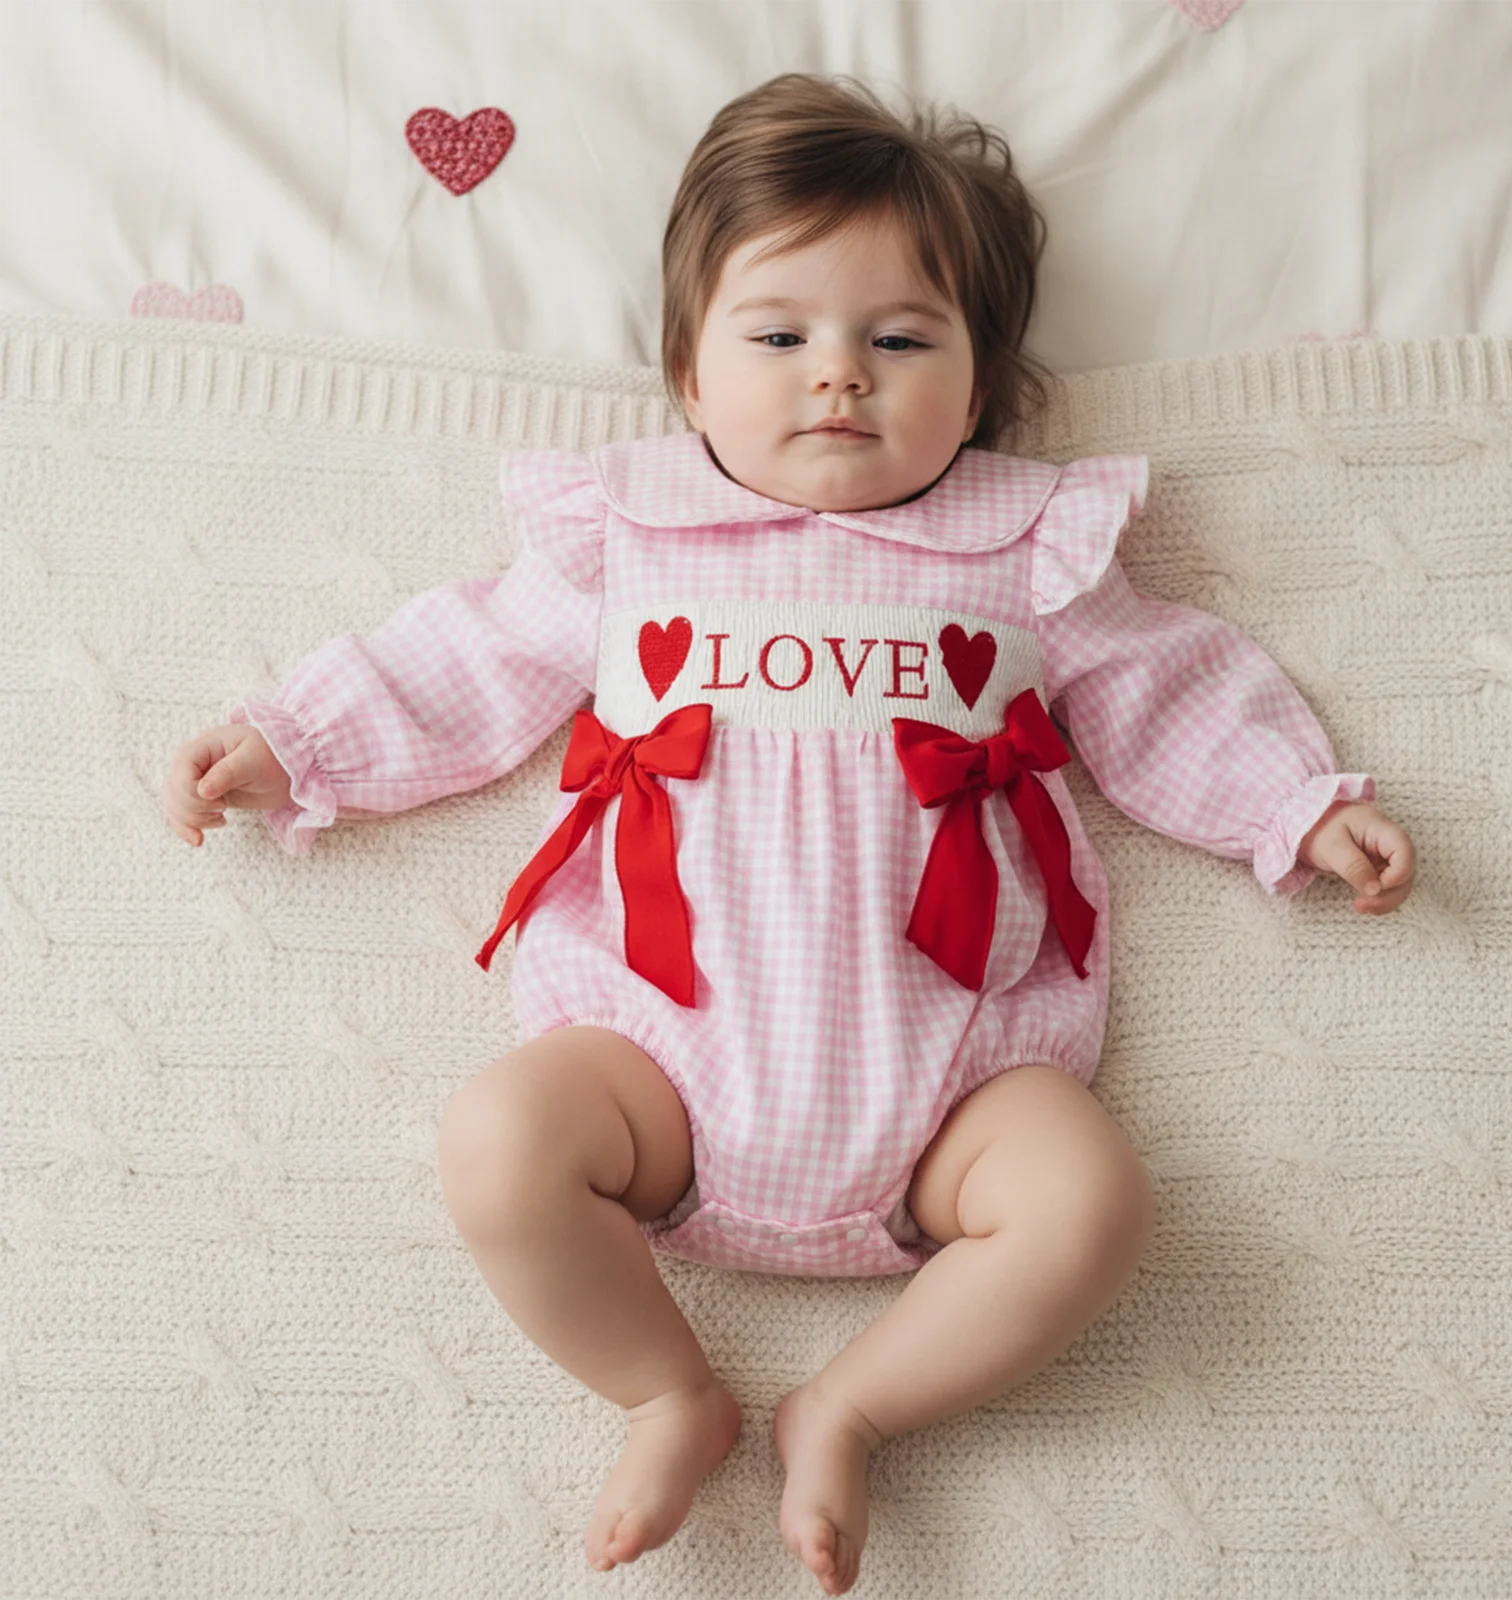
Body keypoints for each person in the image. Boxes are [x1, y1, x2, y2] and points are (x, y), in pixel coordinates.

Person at [163, 73, 1417, 1597]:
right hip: (657, 1064)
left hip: (953, 1091)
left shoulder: (1023, 551)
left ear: (980, 384)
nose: (839, 376)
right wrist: (299, 742)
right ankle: (666, 1393)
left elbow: (1168, 689)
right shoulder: (629, 536)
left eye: (901, 340)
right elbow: (468, 658)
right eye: (779, 338)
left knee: (1092, 1202)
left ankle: (854, 1407)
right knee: (497, 1144)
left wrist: (1295, 802)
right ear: (689, 377)